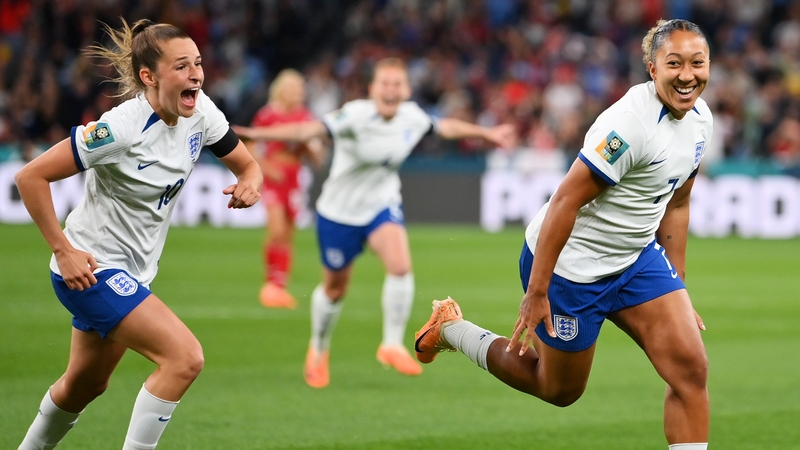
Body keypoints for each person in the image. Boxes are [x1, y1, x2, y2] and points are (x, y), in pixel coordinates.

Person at [414, 19, 712, 450]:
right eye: (675, 63)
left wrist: (678, 286)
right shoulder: (628, 127)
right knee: (558, 390)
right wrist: (537, 291)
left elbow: (678, 202)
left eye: (697, 63)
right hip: (571, 269)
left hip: (635, 258)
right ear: (652, 68)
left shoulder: (700, 119)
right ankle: (452, 329)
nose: (687, 75)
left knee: (690, 369)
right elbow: (564, 202)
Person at [14, 19, 262, 449]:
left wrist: (249, 183)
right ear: (149, 77)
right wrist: (64, 249)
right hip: (91, 268)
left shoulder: (201, 111)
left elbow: (247, 164)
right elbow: (30, 177)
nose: (196, 75)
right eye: (182, 66)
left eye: (198, 64)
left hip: (136, 271)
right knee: (184, 359)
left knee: (83, 387)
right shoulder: (121, 128)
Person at [233, 57, 516, 388]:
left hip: (381, 204)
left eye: (397, 84)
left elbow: (447, 126)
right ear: (373, 89)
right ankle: (318, 349)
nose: (391, 90)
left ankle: (391, 345)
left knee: (400, 266)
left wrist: (487, 133)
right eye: (385, 84)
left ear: (406, 90)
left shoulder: (412, 116)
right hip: (339, 212)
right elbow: (306, 129)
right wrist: (256, 132)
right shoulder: (355, 114)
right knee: (335, 288)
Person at [246, 69, 325, 309]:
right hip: (275, 177)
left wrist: (308, 146)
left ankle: (279, 287)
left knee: (289, 233)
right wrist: (267, 168)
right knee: (277, 228)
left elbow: (319, 158)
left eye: (299, 89)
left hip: (294, 179)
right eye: (292, 88)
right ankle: (270, 284)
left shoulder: (306, 118)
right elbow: (250, 145)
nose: (296, 93)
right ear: (281, 90)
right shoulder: (268, 115)